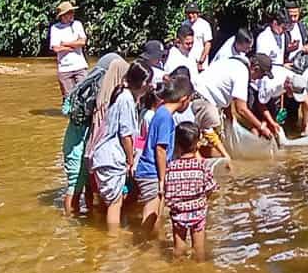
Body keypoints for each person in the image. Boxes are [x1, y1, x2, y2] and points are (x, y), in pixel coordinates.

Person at [90, 60, 152, 233]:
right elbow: (125, 135)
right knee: (115, 203)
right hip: (111, 156)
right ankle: (113, 240)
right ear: (144, 84)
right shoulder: (126, 99)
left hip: (105, 156)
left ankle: (103, 236)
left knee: (114, 200)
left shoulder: (122, 95)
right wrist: (131, 160)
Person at [61, 52, 121, 216]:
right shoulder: (99, 90)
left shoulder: (83, 87)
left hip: (76, 142)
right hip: (79, 145)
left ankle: (81, 222)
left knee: (82, 184)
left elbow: (66, 109)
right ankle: (71, 220)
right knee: (75, 187)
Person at [134, 75, 194, 236]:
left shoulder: (161, 111)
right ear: (184, 99)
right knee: (151, 215)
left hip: (151, 171)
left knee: (158, 215)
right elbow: (160, 149)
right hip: (151, 172)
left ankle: (150, 249)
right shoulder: (166, 117)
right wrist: (162, 180)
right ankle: (141, 246)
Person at [164, 122, 218, 262]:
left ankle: (177, 270)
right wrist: (203, 199)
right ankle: (200, 270)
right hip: (198, 212)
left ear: (177, 144)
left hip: (179, 213)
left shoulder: (171, 167)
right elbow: (211, 188)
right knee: (198, 248)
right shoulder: (201, 166)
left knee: (178, 247)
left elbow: (167, 193)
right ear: (197, 144)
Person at [194, 53, 274, 138]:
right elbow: (241, 109)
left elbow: (225, 93)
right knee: (210, 143)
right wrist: (261, 127)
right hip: (205, 102)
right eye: (262, 75)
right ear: (255, 68)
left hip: (196, 95)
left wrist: (230, 122)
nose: (260, 79)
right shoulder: (242, 72)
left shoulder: (233, 61)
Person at [50, 0, 89, 101]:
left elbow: (82, 42)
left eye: (72, 12)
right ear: (63, 15)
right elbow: (56, 48)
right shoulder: (55, 28)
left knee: (86, 93)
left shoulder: (77, 24)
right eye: (70, 12)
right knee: (68, 98)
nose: (72, 14)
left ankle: (84, 114)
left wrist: (65, 44)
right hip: (64, 69)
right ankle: (71, 115)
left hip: (80, 66)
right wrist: (73, 45)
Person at [182, 2, 213, 72]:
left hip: (200, 61)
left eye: (193, 13)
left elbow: (208, 44)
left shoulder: (204, 25)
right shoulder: (184, 24)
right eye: (189, 13)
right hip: (187, 60)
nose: (191, 15)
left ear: (198, 14)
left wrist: (201, 61)